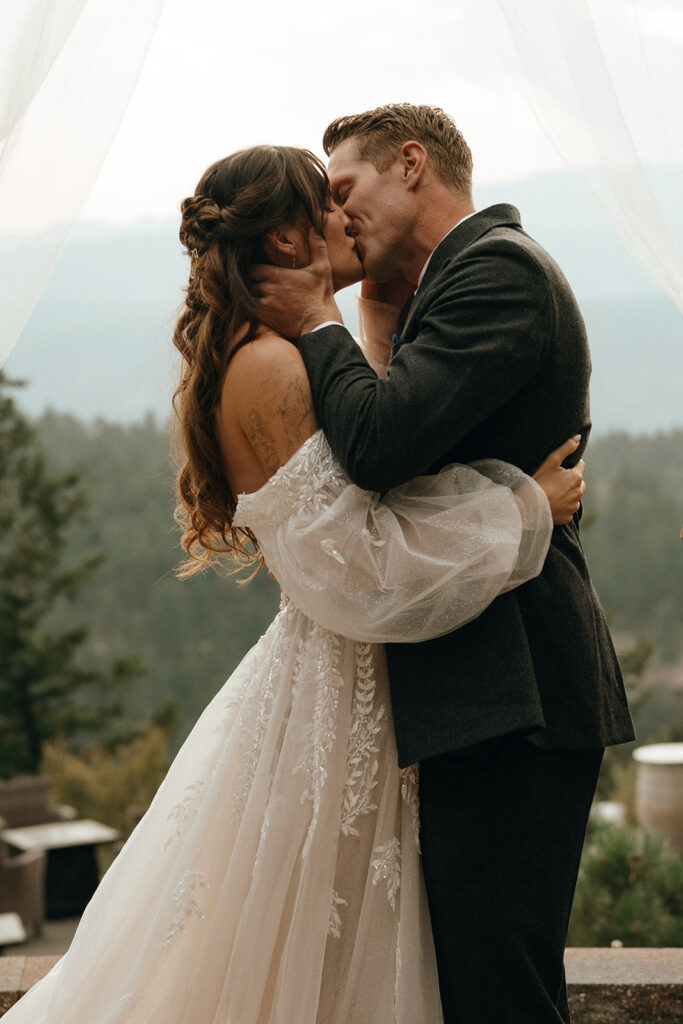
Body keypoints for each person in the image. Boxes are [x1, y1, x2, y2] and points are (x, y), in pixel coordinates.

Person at [3, 145, 585, 1023]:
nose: (346, 220)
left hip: (350, 683)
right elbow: (356, 565)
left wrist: (368, 312)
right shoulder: (272, 366)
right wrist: (525, 509)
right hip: (340, 686)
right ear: (285, 238)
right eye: (328, 205)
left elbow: (377, 449)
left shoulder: (272, 351)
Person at [251, 108, 636, 1024]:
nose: (336, 222)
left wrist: (316, 318)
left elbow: (379, 446)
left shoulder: (497, 270)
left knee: (501, 995)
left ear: (412, 164)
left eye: (345, 192)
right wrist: (377, 324)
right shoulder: (443, 287)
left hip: (518, 693)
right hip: (482, 695)